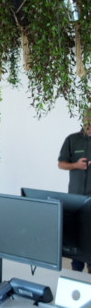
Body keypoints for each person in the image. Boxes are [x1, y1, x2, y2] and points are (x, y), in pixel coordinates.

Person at [57, 108, 91, 272]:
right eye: (88, 119)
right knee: (76, 243)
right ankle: (75, 276)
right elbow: (61, 164)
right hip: (75, 201)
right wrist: (76, 165)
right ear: (84, 119)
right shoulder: (72, 139)